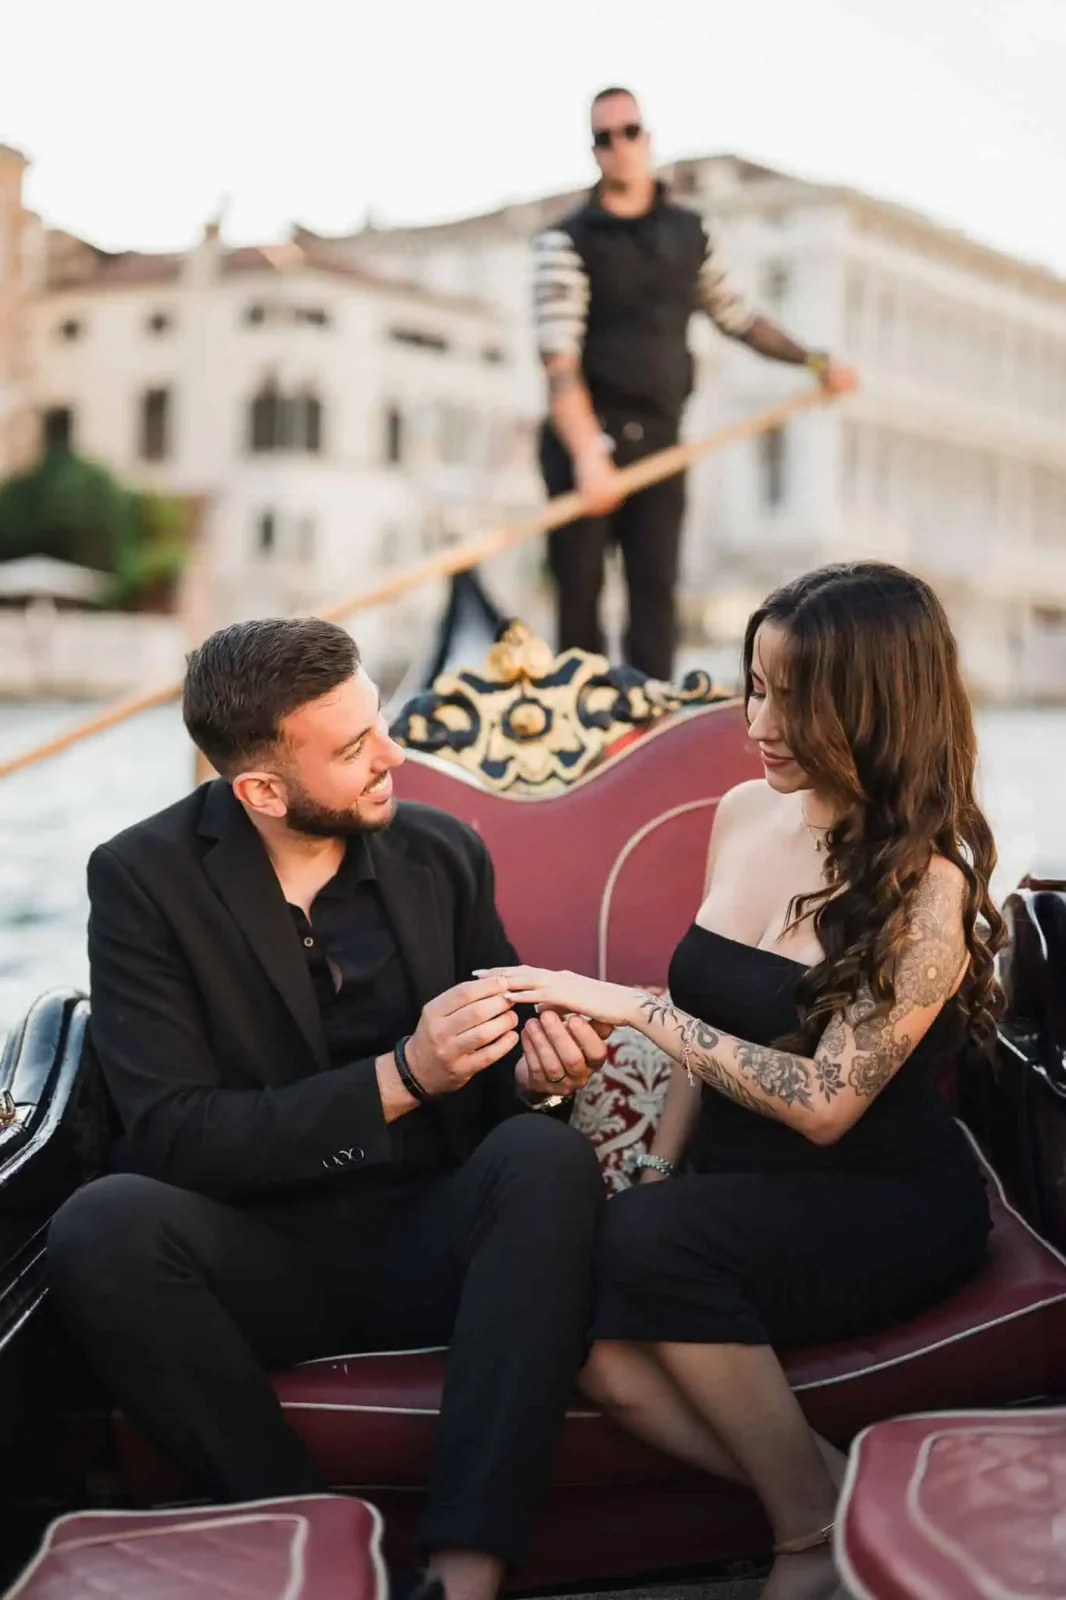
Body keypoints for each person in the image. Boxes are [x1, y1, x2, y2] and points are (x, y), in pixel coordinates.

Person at [46, 617, 611, 1600]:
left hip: (432, 1236)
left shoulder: (443, 854)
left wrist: (533, 1076)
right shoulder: (141, 879)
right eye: (354, 748)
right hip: (256, 1257)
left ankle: (467, 1573)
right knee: (100, 1224)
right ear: (260, 789)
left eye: (378, 722)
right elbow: (174, 1132)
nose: (394, 755)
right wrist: (404, 1076)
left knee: (541, 1158)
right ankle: (320, 1551)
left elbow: (493, 1087)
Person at [480, 562, 1004, 1598]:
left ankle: (804, 1550)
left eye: (794, 697)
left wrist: (635, 1008)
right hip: (732, 1189)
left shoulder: (926, 892)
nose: (759, 722)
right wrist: (659, 1168)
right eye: (753, 686)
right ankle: (834, 1498)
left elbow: (823, 1106)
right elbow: (712, 1026)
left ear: (873, 702)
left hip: (879, 1201)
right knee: (580, 1325)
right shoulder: (739, 812)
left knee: (643, 1248)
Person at [533, 86, 857, 684]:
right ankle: (576, 727)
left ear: (647, 140)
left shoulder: (689, 234)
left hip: (662, 442)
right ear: (594, 151)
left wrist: (814, 363)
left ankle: (649, 725)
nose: (620, 146)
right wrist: (587, 456)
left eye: (629, 132)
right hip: (584, 445)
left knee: (655, 598)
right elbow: (559, 362)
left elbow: (737, 316)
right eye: (605, 137)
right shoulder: (564, 242)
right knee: (579, 606)